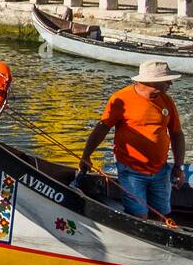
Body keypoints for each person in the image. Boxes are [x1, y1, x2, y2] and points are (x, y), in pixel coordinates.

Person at [79, 61, 185, 221]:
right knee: (139, 216)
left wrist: (178, 166)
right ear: (151, 82)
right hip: (131, 171)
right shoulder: (121, 98)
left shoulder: (167, 101)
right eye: (167, 80)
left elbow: (177, 134)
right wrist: (86, 155)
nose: (170, 83)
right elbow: (102, 128)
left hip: (160, 170)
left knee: (161, 215)